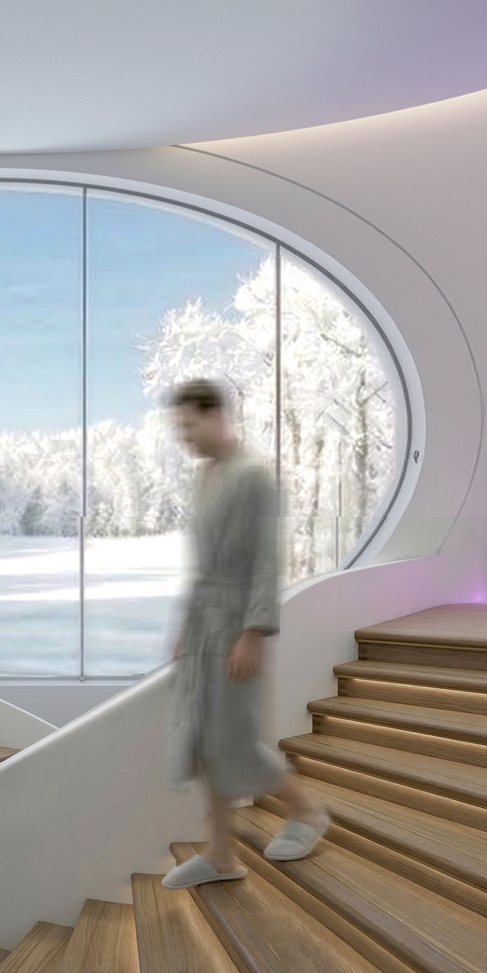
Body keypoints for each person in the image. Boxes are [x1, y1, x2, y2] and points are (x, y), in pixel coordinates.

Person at [159, 379, 330, 889]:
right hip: (205, 622)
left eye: (189, 424)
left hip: (236, 624)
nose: (184, 436)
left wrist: (253, 631)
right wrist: (183, 626)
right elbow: (200, 566)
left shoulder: (254, 476)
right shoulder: (206, 476)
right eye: (179, 427)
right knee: (207, 740)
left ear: (217, 416)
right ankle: (219, 856)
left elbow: (266, 560)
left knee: (235, 740)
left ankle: (307, 813)